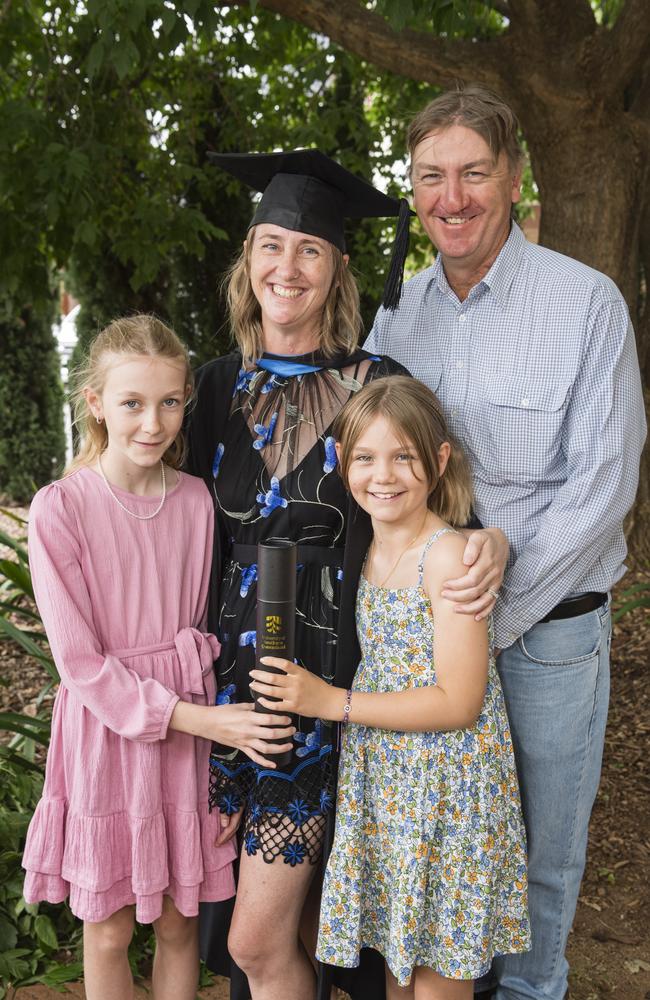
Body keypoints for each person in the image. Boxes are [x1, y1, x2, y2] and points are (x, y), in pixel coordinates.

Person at [185, 150, 510, 1000]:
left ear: (337, 271)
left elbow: (440, 515)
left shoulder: (377, 385)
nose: (286, 268)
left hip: (340, 694)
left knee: (288, 935)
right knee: (273, 933)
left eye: (310, 250)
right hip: (237, 695)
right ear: (246, 259)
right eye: (270, 245)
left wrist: (494, 544)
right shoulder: (214, 388)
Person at [365, 86, 647, 1000]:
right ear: (413, 191)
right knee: (446, 849)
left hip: (549, 635)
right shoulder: (397, 316)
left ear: (514, 177)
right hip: (423, 646)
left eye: (474, 172)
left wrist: (492, 606)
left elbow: (604, 485)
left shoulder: (585, 304)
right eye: (431, 177)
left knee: (541, 863)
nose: (452, 196)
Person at [22, 315, 295, 1000]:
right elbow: (82, 666)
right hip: (107, 734)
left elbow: (206, 630)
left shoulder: (197, 502)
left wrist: (222, 761)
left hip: (189, 742)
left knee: (180, 925)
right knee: (110, 930)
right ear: (95, 403)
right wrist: (208, 725)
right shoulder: (61, 509)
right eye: (132, 403)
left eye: (170, 402)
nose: (153, 423)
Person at [251, 375, 531, 1000]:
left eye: (404, 456)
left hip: (449, 793)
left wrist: (333, 704)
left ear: (438, 461)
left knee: (436, 983)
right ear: (344, 464)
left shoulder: (449, 557)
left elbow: (459, 702)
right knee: (397, 972)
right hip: (390, 782)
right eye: (366, 457)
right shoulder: (370, 548)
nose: (384, 475)